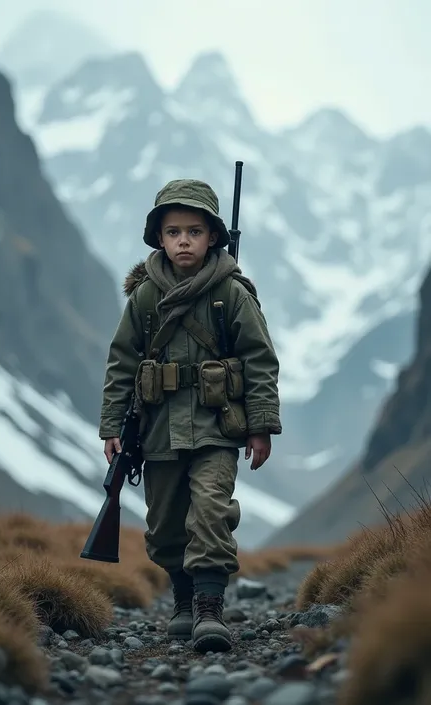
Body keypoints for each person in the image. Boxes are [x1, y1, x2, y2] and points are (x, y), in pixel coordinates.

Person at [99, 178, 282, 653]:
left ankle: (207, 607)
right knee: (163, 525)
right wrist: (112, 426)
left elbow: (259, 358)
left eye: (195, 231)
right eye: (174, 231)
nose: (184, 240)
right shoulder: (143, 297)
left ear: (213, 237)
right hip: (158, 431)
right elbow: (121, 361)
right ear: (159, 238)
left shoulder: (231, 292)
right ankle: (182, 597)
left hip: (219, 428)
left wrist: (261, 424)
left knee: (210, 510)